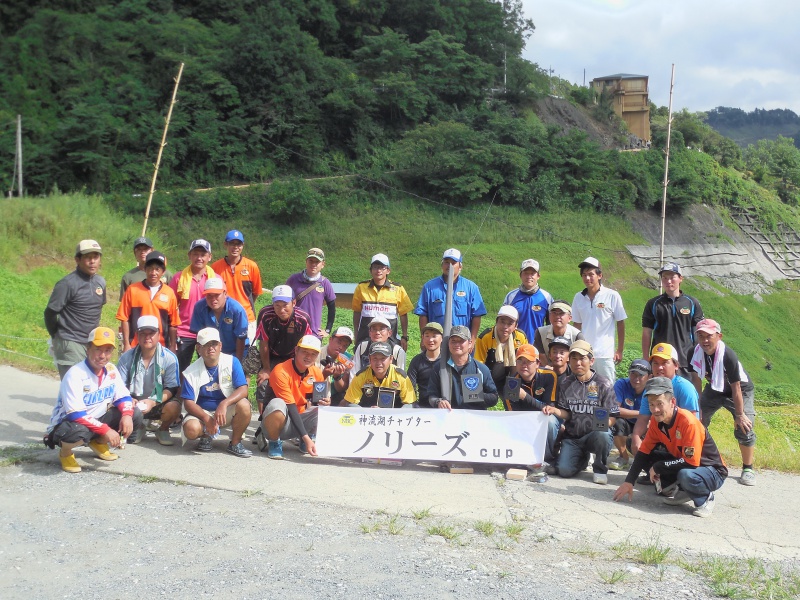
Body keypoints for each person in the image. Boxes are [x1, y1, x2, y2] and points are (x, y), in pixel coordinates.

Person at [613, 377, 727, 518]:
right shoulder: (656, 421)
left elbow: (691, 462)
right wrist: (629, 482)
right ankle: (683, 490)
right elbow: (644, 452)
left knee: (685, 475)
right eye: (651, 404)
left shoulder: (688, 422)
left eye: (660, 404)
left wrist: (659, 466)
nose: (655, 410)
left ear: (672, 402)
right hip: (684, 461)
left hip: (712, 470)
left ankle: (705, 497)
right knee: (647, 455)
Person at [44, 327, 142, 473]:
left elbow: (123, 396)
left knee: (135, 414)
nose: (103, 355)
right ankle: (65, 453)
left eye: (108, 350)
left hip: (94, 419)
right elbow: (75, 414)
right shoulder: (75, 374)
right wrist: (106, 430)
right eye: (98, 349)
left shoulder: (111, 369)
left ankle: (98, 442)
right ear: (87, 349)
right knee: (78, 432)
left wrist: (127, 416)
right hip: (68, 424)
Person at [690, 318, 757, 487]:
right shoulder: (694, 352)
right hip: (714, 387)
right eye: (701, 336)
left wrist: (740, 415)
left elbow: (736, 389)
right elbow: (696, 380)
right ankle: (700, 459)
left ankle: (748, 468)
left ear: (719, 336)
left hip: (740, 390)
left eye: (709, 336)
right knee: (696, 421)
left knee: (745, 426)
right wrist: (697, 407)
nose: (705, 341)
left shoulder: (728, 355)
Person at [542, 340, 618, 484]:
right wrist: (555, 411)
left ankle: (600, 469)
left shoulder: (603, 383)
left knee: (604, 433)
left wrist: (603, 424)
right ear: (569, 361)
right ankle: (582, 459)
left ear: (591, 360)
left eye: (582, 359)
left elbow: (613, 415)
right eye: (574, 359)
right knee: (564, 471)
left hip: (594, 435)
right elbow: (567, 413)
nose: (578, 363)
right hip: (573, 438)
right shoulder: (566, 383)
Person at [180, 328, 252, 458]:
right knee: (191, 429)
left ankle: (235, 443)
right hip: (202, 413)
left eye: (214, 344)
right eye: (206, 345)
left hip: (225, 412)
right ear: (198, 348)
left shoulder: (232, 361)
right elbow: (188, 402)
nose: (210, 348)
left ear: (220, 345)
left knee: (245, 405)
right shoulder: (190, 371)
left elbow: (243, 389)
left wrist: (224, 403)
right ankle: (205, 436)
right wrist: (206, 418)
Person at [257, 335, 329, 459]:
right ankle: (274, 442)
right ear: (296, 351)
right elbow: (290, 407)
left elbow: (317, 401)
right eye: (305, 352)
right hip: (280, 423)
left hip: (300, 420)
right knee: (277, 404)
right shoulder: (280, 371)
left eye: (313, 354)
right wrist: (306, 437)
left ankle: (306, 440)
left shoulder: (316, 372)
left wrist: (326, 402)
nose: (308, 357)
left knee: (323, 409)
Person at [44, 239, 106, 379]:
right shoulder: (67, 284)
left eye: (95, 257)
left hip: (90, 342)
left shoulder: (100, 282)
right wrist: (57, 335)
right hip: (70, 340)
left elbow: (96, 309)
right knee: (74, 384)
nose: (92, 261)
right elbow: (50, 312)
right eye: (88, 257)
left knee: (89, 385)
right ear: (77, 259)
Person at [117, 316, 181, 445]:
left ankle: (163, 429)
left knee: (174, 406)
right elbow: (119, 386)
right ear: (137, 335)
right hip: (134, 402)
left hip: (158, 402)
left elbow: (171, 388)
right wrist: (128, 399)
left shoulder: (169, 358)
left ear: (159, 334)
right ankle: (138, 426)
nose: (147, 337)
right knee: (116, 405)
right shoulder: (126, 358)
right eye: (143, 333)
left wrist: (153, 401)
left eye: (151, 333)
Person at [631, 343, 699, 454]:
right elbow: (643, 418)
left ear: (676, 365)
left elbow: (692, 423)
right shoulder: (650, 387)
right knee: (634, 441)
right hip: (665, 437)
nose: (659, 367)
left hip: (683, 439)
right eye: (655, 363)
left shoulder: (685, 387)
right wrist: (636, 438)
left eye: (664, 363)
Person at [254, 285, 313, 412]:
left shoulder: (302, 318)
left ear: (293, 302)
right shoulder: (265, 315)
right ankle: (263, 424)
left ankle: (298, 417)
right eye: (277, 305)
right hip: (272, 355)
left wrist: (302, 367)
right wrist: (266, 368)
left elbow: (308, 345)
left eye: (285, 305)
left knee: (296, 385)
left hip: (295, 356)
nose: (281, 310)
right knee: (263, 385)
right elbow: (263, 342)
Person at [642, 262, 704, 377]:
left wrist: (699, 357)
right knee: (660, 394)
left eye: (672, 277)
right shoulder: (653, 304)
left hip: (686, 361)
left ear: (680, 278)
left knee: (686, 393)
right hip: (660, 361)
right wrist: (646, 358)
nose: (668, 281)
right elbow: (647, 333)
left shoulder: (692, 303)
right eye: (664, 278)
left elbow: (698, 333)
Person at [571, 256, 627, 383]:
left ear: (600, 275)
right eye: (584, 275)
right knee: (587, 389)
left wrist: (620, 350)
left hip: (605, 354)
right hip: (584, 353)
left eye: (591, 274)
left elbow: (621, 323)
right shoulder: (578, 297)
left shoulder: (612, 295)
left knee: (607, 389)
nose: (587, 278)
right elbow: (577, 326)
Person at [414, 248, 487, 340]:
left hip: (461, 342)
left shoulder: (471, 288)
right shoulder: (429, 287)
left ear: (460, 266)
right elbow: (423, 314)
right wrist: (424, 338)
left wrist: (472, 340)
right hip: (437, 341)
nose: (449, 266)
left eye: (453, 263)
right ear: (442, 265)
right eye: (446, 262)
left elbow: (476, 315)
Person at [116, 251, 180, 353]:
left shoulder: (169, 293)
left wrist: (172, 346)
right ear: (145, 269)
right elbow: (124, 318)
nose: (153, 273)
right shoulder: (132, 290)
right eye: (150, 268)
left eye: (157, 269)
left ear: (163, 272)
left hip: (161, 347)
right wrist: (126, 344)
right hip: (135, 345)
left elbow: (173, 323)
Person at [506, 344, 559, 464]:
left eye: (528, 362)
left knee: (550, 421)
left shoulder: (549, 376)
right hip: (524, 420)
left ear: (538, 363)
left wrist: (525, 397)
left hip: (545, 417)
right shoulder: (511, 384)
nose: (524, 365)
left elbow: (548, 408)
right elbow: (513, 417)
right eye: (520, 361)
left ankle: (548, 459)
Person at [169, 239, 215, 373]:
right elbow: (170, 306)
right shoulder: (178, 278)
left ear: (209, 257)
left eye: (203, 254)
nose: (199, 258)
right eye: (195, 254)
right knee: (180, 369)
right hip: (184, 331)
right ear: (189, 255)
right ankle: (178, 393)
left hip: (208, 330)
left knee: (209, 368)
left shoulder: (215, 279)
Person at [427, 325, 499, 410]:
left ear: (470, 343)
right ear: (448, 344)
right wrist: (438, 402)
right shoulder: (439, 368)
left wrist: (475, 396)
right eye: (453, 341)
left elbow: (494, 397)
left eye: (461, 341)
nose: (457, 344)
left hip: (474, 419)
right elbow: (431, 395)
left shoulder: (481, 369)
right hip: (448, 418)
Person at [352, 253, 414, 349]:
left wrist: (404, 336)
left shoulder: (398, 289)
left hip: (390, 341)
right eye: (375, 267)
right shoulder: (361, 288)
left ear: (388, 270)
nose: (378, 270)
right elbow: (357, 312)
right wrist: (356, 334)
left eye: (382, 267)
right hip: (365, 340)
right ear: (371, 270)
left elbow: (403, 314)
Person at [211, 230, 263, 342]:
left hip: (247, 317)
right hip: (223, 317)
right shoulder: (215, 267)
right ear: (226, 244)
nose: (235, 247)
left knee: (247, 352)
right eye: (232, 243)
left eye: (238, 244)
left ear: (242, 246)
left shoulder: (251, 266)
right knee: (224, 351)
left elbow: (255, 292)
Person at [189, 277, 248, 360]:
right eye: (209, 295)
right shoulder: (199, 307)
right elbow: (199, 335)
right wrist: (203, 359)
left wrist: (237, 362)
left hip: (234, 352)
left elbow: (241, 338)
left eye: (217, 295)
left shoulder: (236, 310)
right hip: (210, 352)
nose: (213, 299)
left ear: (225, 293)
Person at [344, 341, 416, 408]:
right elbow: (351, 403)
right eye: (375, 358)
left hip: (393, 418)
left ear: (391, 359)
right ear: (369, 359)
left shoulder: (400, 376)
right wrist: (367, 411)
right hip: (367, 416)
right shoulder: (361, 376)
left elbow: (409, 404)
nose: (379, 363)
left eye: (383, 359)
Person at [609, 359, 651, 470]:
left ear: (649, 377)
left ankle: (642, 460)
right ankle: (624, 457)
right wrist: (641, 413)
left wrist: (643, 418)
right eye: (633, 374)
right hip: (626, 421)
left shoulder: (652, 389)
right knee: (614, 422)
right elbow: (614, 409)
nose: (636, 379)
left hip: (646, 423)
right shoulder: (621, 384)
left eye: (640, 376)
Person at [474, 305, 528, 391]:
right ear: (496, 321)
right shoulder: (485, 337)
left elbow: (525, 362)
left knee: (518, 361)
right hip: (490, 374)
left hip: (512, 374)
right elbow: (478, 364)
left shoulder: (521, 337)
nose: (505, 327)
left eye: (510, 323)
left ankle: (512, 392)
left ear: (516, 326)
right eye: (502, 322)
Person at [286, 247, 336, 339]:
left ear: (323, 264)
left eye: (317, 262)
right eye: (311, 261)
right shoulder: (293, 279)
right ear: (306, 262)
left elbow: (332, 306)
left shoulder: (325, 283)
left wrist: (328, 329)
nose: (313, 264)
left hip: (314, 334)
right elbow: (282, 302)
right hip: (293, 332)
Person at [502, 259, 553, 342]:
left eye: (532, 273)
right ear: (520, 275)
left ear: (538, 276)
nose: (529, 276)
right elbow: (503, 322)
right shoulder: (511, 297)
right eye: (526, 273)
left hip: (537, 346)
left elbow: (551, 325)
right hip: (514, 345)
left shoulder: (547, 297)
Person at [533, 300, 585, 366]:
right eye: (554, 313)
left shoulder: (577, 335)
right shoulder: (540, 332)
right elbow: (541, 356)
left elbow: (579, 359)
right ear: (549, 316)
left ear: (569, 318)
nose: (557, 316)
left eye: (561, 313)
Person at [315, 326, 355, 406]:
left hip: (334, 397)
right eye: (339, 342)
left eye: (345, 345)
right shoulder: (316, 354)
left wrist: (337, 376)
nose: (341, 347)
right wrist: (324, 374)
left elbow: (341, 389)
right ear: (330, 339)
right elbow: (309, 382)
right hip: (316, 393)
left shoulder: (348, 360)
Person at [407, 322, 443, 408]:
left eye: (434, 336)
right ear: (422, 338)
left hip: (445, 407)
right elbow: (410, 387)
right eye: (427, 336)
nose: (430, 340)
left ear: (442, 338)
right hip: (423, 408)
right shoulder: (416, 361)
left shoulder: (448, 361)